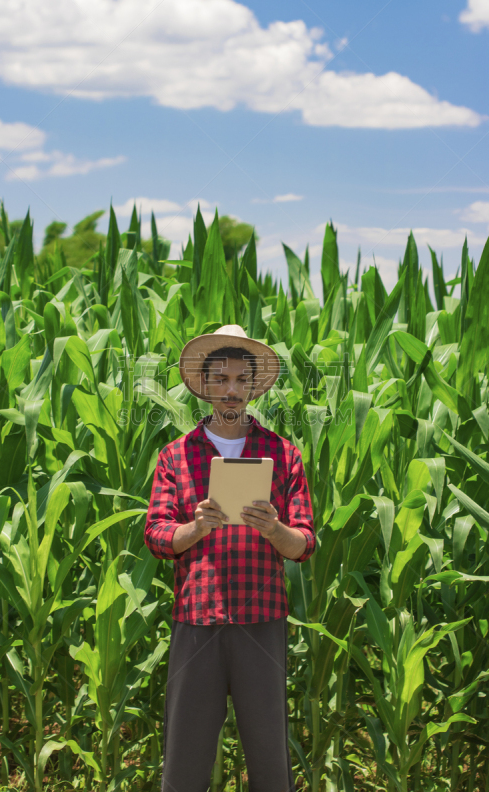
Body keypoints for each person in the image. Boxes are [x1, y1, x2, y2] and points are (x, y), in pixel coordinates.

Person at [145, 324, 316, 792]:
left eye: (242, 381)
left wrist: (273, 528)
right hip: (196, 617)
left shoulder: (282, 455)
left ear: (254, 386)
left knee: (269, 755)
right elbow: (157, 536)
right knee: (185, 756)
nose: (231, 391)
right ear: (203, 386)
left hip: (261, 620)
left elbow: (304, 543)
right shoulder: (176, 456)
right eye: (220, 379)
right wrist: (194, 528)